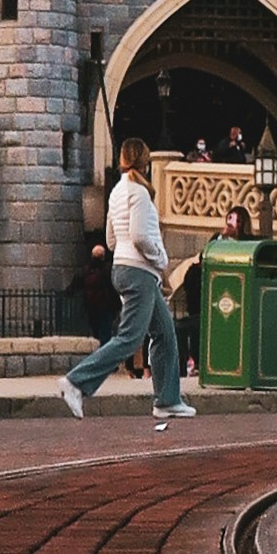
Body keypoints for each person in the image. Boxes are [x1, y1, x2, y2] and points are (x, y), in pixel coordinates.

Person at [63, 136, 192, 427]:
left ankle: (168, 400)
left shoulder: (117, 192)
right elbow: (140, 235)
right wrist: (160, 258)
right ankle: (76, 382)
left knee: (165, 333)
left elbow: (111, 240)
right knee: (130, 339)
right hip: (139, 271)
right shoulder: (140, 193)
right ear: (146, 163)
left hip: (123, 267)